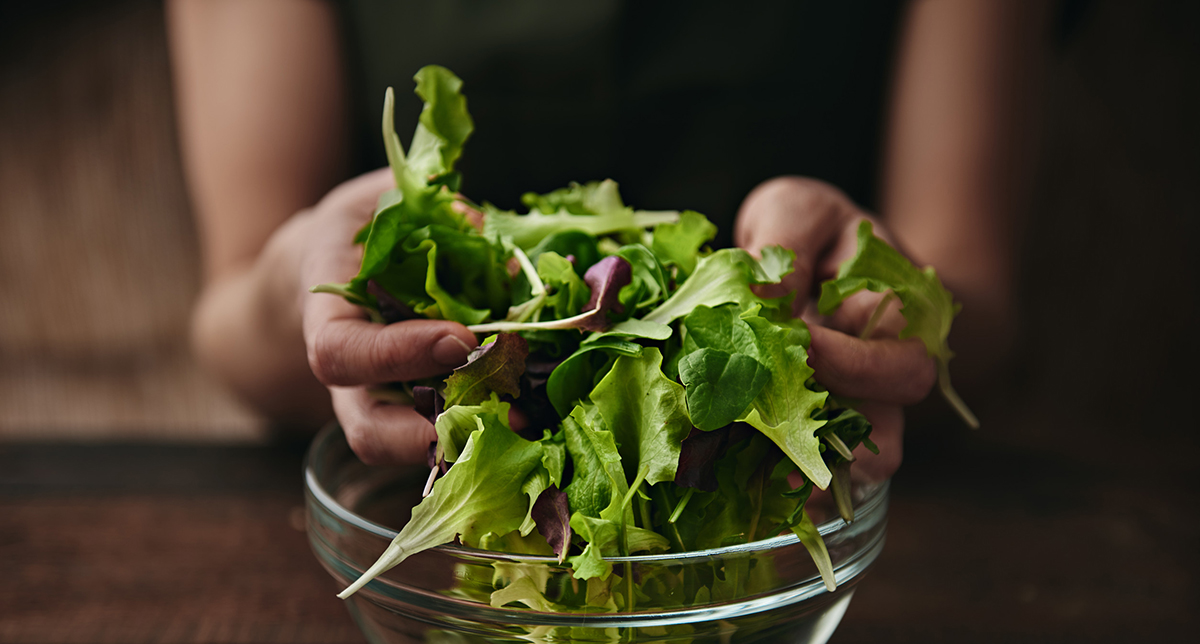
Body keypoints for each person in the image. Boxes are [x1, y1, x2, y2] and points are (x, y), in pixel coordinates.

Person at [167, 0, 1044, 482]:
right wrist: (310, 278)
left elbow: (980, 309)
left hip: (799, 517)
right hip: (415, 516)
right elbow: (234, 317)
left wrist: (881, 299)